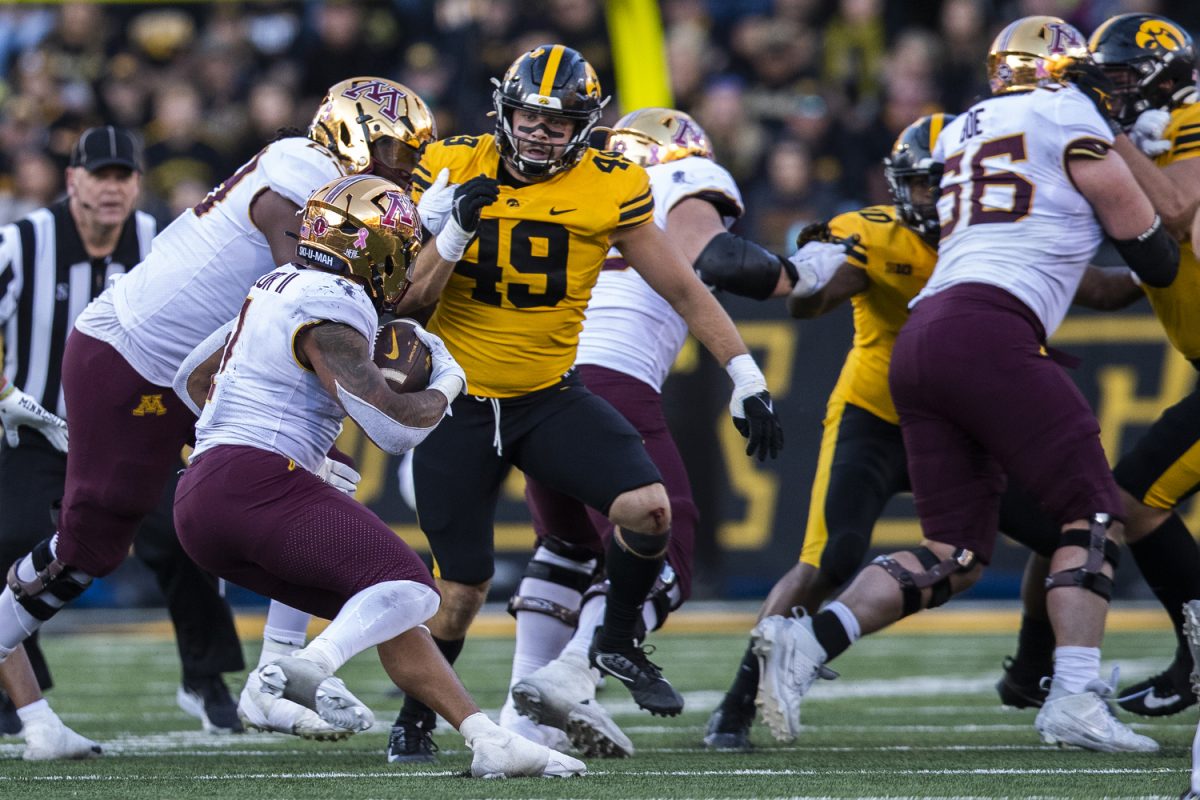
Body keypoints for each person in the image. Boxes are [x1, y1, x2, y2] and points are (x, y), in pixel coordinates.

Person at [748, 15, 1178, 754]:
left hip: (923, 337)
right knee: (1094, 510)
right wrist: (1135, 150)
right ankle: (1073, 694)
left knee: (955, 550)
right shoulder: (1072, 115)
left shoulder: (963, 129)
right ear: (1066, 74)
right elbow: (1159, 246)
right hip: (990, 329)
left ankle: (808, 643)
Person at [0, 79, 437, 742]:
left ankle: (272, 677)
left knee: (307, 483)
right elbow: (311, 288)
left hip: (204, 366)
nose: (406, 167)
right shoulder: (302, 171)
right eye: (396, 150)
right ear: (350, 139)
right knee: (91, 549)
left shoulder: (328, 183)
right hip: (130, 360)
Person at [384, 45, 784, 762]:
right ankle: (417, 715)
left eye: (559, 122)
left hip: (548, 396)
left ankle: (620, 638)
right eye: (529, 118)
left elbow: (685, 287)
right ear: (503, 113)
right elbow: (403, 301)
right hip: (459, 401)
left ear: (586, 128)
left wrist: (746, 374)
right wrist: (449, 233)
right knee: (463, 588)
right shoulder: (451, 163)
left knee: (649, 510)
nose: (540, 132)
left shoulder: (613, 183)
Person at [171, 173, 583, 778]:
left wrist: (282, 449)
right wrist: (448, 383)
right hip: (251, 478)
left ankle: (488, 739)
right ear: (378, 250)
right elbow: (393, 431)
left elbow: (192, 378)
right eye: (407, 245)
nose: (411, 259)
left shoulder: (274, 284)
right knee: (415, 588)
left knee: (388, 606)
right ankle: (309, 666)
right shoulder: (332, 305)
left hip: (203, 495)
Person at [496, 107, 796, 758]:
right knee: (667, 536)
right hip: (612, 377)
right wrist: (799, 275)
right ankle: (573, 674)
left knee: (567, 547)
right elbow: (712, 255)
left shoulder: (576, 185)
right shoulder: (679, 178)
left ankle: (525, 726)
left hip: (533, 379)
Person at [0, 125, 247, 740]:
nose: (112, 188)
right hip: (38, 427)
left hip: (138, 424)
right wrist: (5, 394)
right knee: (11, 541)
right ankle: (18, 698)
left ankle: (205, 675)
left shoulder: (162, 238)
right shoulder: (22, 241)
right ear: (72, 180)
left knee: (191, 530)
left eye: (123, 176)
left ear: (138, 182)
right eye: (100, 175)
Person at [1000, 12, 1200, 720]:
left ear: (1165, 78)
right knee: (1136, 500)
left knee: (1136, 501)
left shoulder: (1190, 117)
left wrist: (1108, 132)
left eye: (1117, 80)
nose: (1108, 95)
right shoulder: (1151, 136)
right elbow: (1138, 269)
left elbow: (1176, 214)